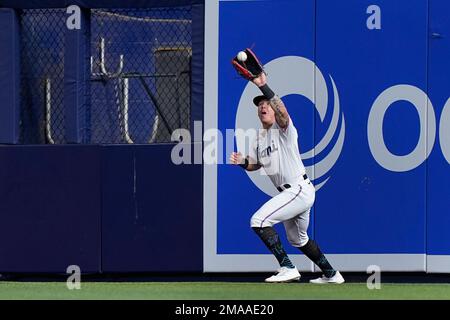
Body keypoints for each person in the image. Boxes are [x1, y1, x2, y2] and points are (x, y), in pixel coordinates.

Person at [229, 71, 344, 284]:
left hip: (298, 189)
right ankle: (332, 274)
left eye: (267, 104)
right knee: (298, 239)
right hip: (293, 193)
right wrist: (244, 162)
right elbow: (256, 164)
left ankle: (287, 267)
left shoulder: (284, 130)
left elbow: (283, 112)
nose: (263, 106)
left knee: (258, 220)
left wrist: (264, 86)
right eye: (260, 104)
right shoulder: (259, 138)